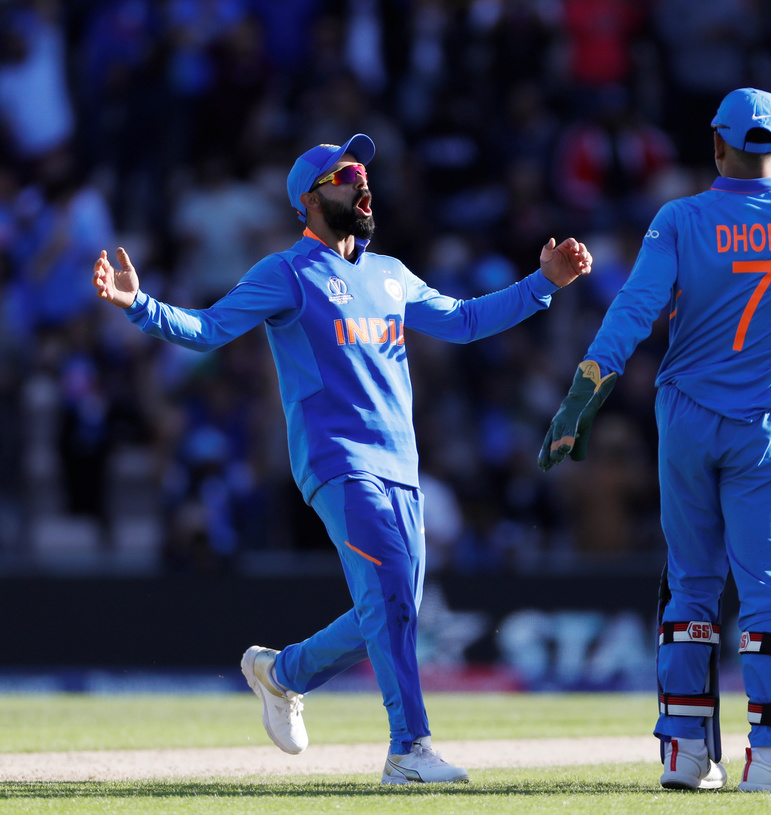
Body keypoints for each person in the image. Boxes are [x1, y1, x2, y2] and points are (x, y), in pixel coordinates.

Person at [91, 133, 593, 785]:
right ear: (309, 199)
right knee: (392, 597)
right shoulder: (285, 273)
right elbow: (210, 329)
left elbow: (465, 321)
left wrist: (543, 283)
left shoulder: (390, 274)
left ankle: (281, 672)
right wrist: (138, 304)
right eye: (346, 176)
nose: (362, 184)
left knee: (393, 606)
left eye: (363, 173)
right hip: (338, 463)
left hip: (401, 467)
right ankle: (408, 749)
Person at [539, 87, 771, 793]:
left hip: (685, 417)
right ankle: (768, 760)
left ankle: (683, 751)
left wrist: (581, 399)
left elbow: (631, 312)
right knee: (770, 592)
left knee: (691, 582)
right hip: (768, 426)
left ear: (716, 145)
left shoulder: (679, 219)